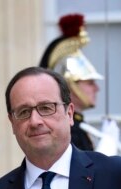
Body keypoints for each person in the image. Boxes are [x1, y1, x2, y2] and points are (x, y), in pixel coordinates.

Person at [39, 13, 101, 152]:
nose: (97, 88)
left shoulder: (78, 126)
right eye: (90, 82)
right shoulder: (68, 131)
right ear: (69, 85)